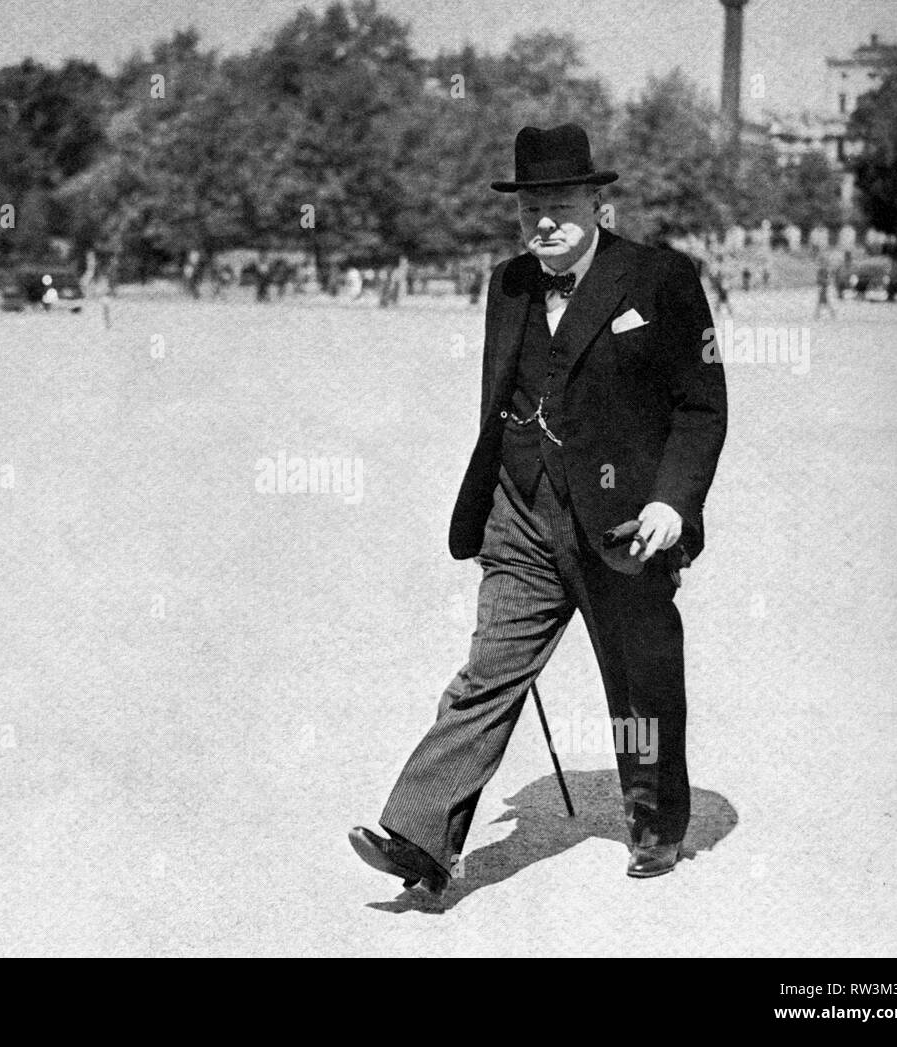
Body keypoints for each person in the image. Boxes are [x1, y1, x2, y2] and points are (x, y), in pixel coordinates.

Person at [350, 123, 727, 893]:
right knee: (489, 671)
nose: (543, 223)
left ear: (598, 202)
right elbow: (505, 398)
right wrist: (499, 492)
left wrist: (673, 502)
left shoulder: (661, 279)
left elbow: (701, 407)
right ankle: (422, 838)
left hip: (626, 522)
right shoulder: (509, 283)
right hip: (520, 512)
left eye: (559, 205)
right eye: (529, 211)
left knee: (638, 680)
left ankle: (654, 824)